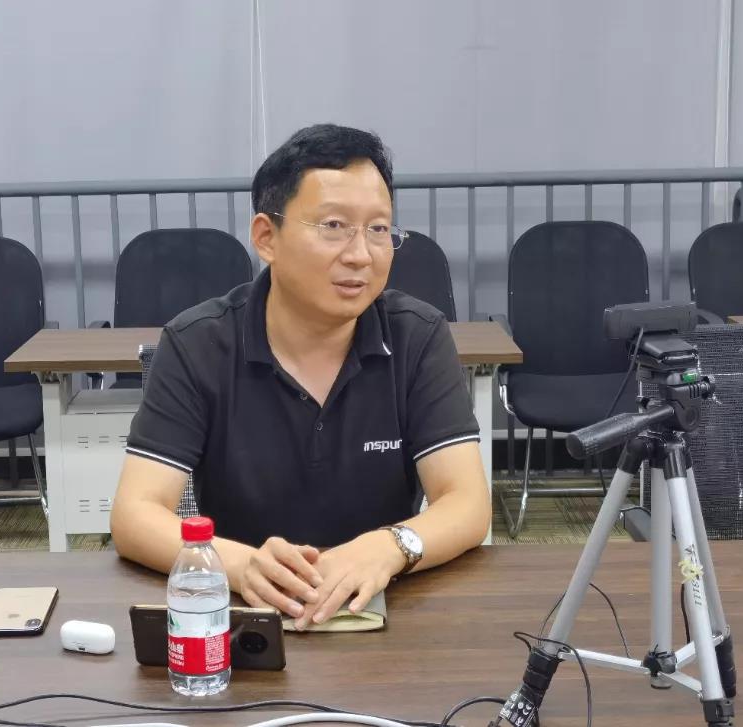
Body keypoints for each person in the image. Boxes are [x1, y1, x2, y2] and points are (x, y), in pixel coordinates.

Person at [111, 123, 490, 630]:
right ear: (267, 237)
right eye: (334, 225)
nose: (361, 254)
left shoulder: (416, 337)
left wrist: (390, 546)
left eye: (379, 229)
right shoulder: (198, 343)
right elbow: (134, 514)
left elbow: (467, 503)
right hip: (246, 616)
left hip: (385, 611)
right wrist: (242, 566)